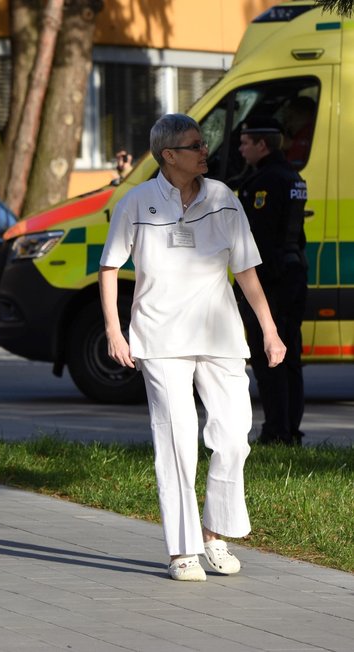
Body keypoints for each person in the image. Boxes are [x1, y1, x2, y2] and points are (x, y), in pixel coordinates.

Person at [99, 113, 286, 581]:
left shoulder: (224, 199)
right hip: (160, 338)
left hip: (220, 335)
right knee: (177, 439)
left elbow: (246, 270)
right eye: (196, 145)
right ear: (169, 155)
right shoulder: (136, 201)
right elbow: (109, 268)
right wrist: (114, 331)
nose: (206, 151)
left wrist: (268, 328)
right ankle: (182, 549)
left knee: (234, 434)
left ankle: (213, 532)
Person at [237, 116, 308, 446]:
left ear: (261, 145)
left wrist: (253, 288)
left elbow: (259, 238)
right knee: (291, 353)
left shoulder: (263, 182)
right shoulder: (294, 176)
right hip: (295, 271)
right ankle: (291, 428)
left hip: (272, 279)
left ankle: (275, 431)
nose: (240, 148)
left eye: (245, 142)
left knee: (269, 355)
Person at [283, 96, 316, 169]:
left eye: (291, 118)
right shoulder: (302, 135)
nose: (288, 124)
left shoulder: (309, 134)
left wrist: (292, 145)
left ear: (304, 115)